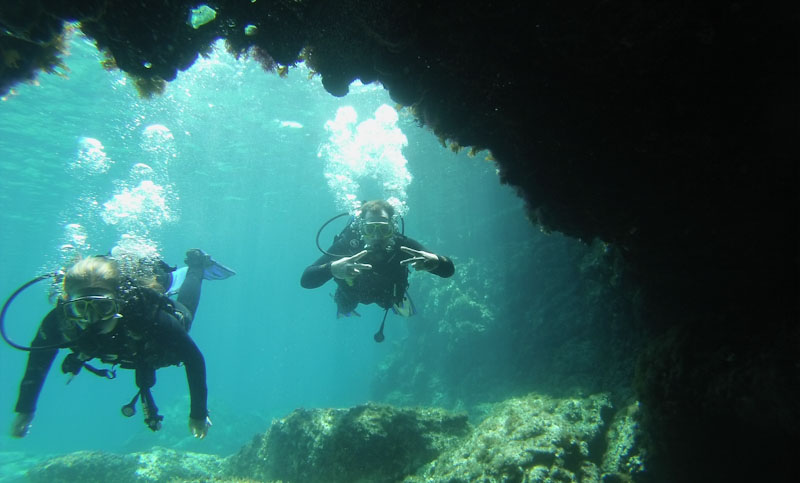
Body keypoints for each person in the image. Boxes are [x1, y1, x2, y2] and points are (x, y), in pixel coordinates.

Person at [9, 249, 229, 439]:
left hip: (151, 343)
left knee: (185, 318)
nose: (92, 318)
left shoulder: (147, 314)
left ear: (119, 302)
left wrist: (198, 413)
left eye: (103, 307)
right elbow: (38, 360)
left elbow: (194, 358)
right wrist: (25, 409)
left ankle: (196, 266)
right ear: (69, 303)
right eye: (81, 308)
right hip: (126, 347)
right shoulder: (60, 320)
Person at [301, 200, 454, 330]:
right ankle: (342, 305)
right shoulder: (347, 245)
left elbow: (448, 270)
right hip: (351, 293)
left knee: (391, 301)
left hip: (388, 294)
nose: (376, 236)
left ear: (392, 228)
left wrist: (437, 262)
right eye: (370, 229)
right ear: (361, 229)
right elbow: (306, 280)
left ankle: (395, 304)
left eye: (384, 229)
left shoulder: (402, 245)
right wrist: (331, 269)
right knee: (346, 305)